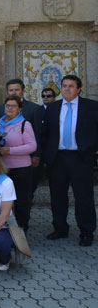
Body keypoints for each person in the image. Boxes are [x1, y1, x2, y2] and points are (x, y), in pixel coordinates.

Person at [41, 75, 98, 246]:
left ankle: (86, 232)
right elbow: (45, 134)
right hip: (58, 158)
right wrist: (45, 155)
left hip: (80, 157)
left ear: (79, 89)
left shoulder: (91, 107)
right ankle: (60, 228)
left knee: (84, 197)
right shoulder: (52, 108)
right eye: (64, 86)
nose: (67, 89)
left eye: (71, 86)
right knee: (57, 195)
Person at [0, 79, 43, 197]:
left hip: (25, 159)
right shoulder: (1, 108)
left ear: (23, 91)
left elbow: (38, 133)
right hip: (4, 161)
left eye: (17, 89)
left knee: (25, 193)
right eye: (11, 90)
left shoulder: (34, 108)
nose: (14, 92)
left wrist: (36, 155)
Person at [0, 95, 36, 232]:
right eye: (7, 105)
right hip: (3, 169)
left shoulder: (25, 124)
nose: (10, 108)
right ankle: (5, 228)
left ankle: (21, 229)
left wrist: (10, 150)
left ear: (19, 109)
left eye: (13, 106)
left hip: (21, 169)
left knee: (21, 201)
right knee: (4, 201)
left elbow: (32, 146)